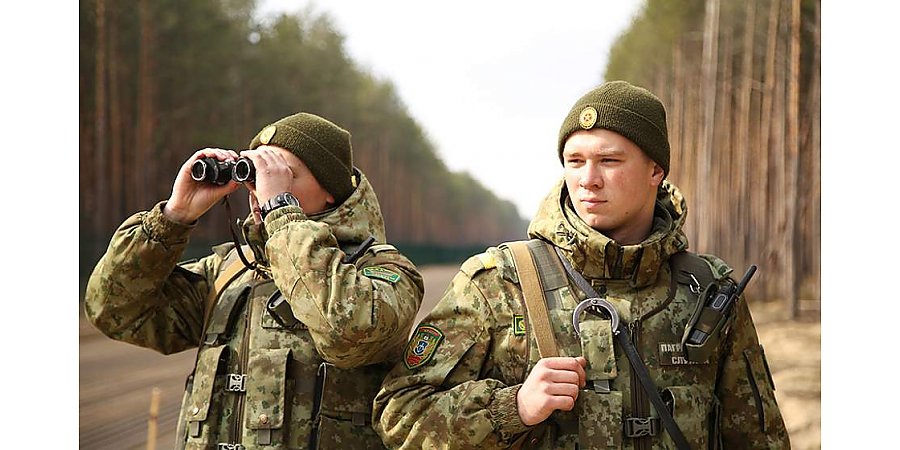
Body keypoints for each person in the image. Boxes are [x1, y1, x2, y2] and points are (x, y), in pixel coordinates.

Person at [373, 81, 789, 449]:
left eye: (609, 161)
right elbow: (398, 414)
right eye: (575, 161)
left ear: (655, 171)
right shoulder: (500, 281)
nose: (588, 179)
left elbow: (758, 434)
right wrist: (511, 407)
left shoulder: (707, 290)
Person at [84, 112, 424, 449]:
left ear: (330, 191)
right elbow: (115, 311)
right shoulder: (231, 270)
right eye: (257, 175)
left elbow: (347, 332)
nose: (261, 190)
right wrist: (174, 217)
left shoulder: (383, 273)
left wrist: (281, 211)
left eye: (281, 175)